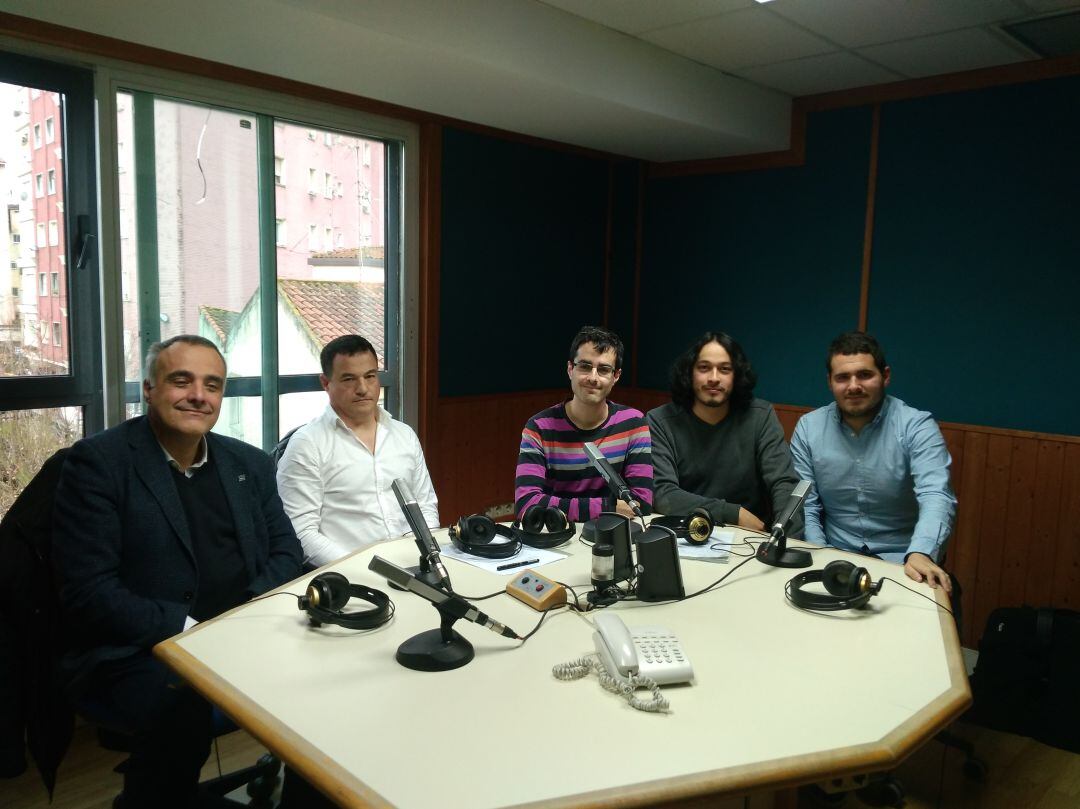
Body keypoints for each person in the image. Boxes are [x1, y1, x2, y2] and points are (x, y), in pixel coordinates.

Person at [52, 335, 302, 808]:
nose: (198, 395)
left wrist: (246, 615)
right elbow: (89, 591)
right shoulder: (100, 465)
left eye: (212, 385)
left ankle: (305, 791)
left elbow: (286, 551)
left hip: (240, 633)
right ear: (148, 389)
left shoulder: (247, 462)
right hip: (137, 649)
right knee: (181, 708)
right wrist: (192, 633)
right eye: (180, 380)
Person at [790, 331, 956, 590]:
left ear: (885, 376)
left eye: (864, 375)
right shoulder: (809, 428)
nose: (853, 386)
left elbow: (936, 494)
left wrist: (921, 552)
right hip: (834, 556)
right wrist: (817, 554)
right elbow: (807, 505)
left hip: (904, 561)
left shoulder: (917, 426)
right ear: (830, 382)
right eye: (842, 377)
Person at [277, 334, 439, 567]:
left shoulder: (404, 435)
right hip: (350, 578)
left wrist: (427, 556)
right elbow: (301, 533)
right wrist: (365, 568)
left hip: (417, 567)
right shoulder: (307, 445)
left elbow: (425, 504)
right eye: (349, 379)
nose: (363, 388)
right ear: (326, 383)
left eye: (370, 376)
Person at [647, 331, 801, 534]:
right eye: (704, 368)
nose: (713, 378)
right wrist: (733, 513)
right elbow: (663, 495)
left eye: (724, 369)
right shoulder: (660, 421)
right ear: (689, 373)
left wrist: (785, 538)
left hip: (750, 537)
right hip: (684, 533)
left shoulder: (761, 416)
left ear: (736, 375)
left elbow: (783, 483)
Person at [515, 325, 652, 522]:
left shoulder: (634, 423)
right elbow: (526, 504)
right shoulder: (538, 427)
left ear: (616, 376)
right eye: (585, 366)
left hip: (612, 536)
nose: (593, 377)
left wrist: (559, 506)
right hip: (556, 539)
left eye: (604, 369)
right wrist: (609, 507)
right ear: (570, 369)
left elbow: (641, 504)